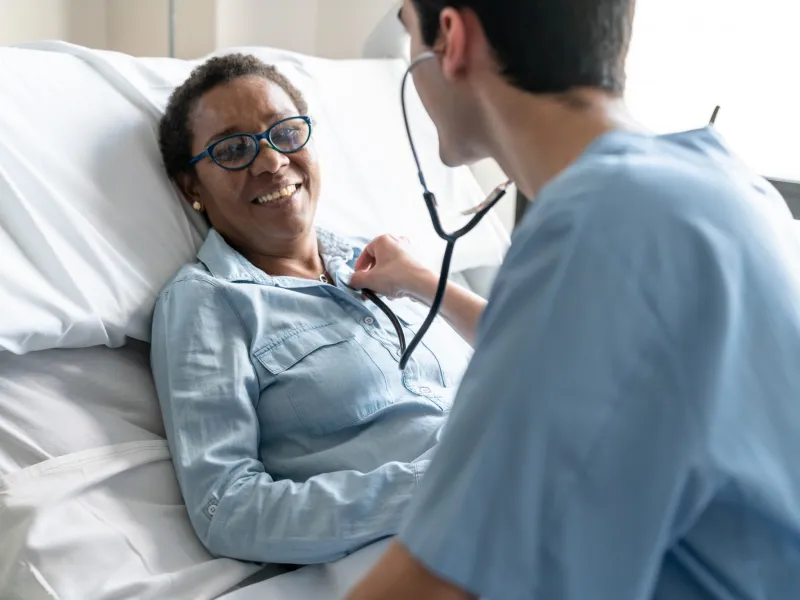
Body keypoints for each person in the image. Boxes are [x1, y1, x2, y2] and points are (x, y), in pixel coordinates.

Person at [346, 1, 800, 599]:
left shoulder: (603, 223)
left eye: (409, 32)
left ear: (450, 39)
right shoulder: (718, 186)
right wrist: (424, 282)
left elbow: (438, 583)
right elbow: (585, 363)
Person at [149, 53, 484, 566]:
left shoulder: (383, 259)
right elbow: (228, 509)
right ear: (191, 186)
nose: (270, 162)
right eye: (234, 149)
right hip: (455, 537)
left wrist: (422, 281)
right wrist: (443, 484)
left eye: (286, 133)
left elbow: (531, 354)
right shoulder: (208, 301)